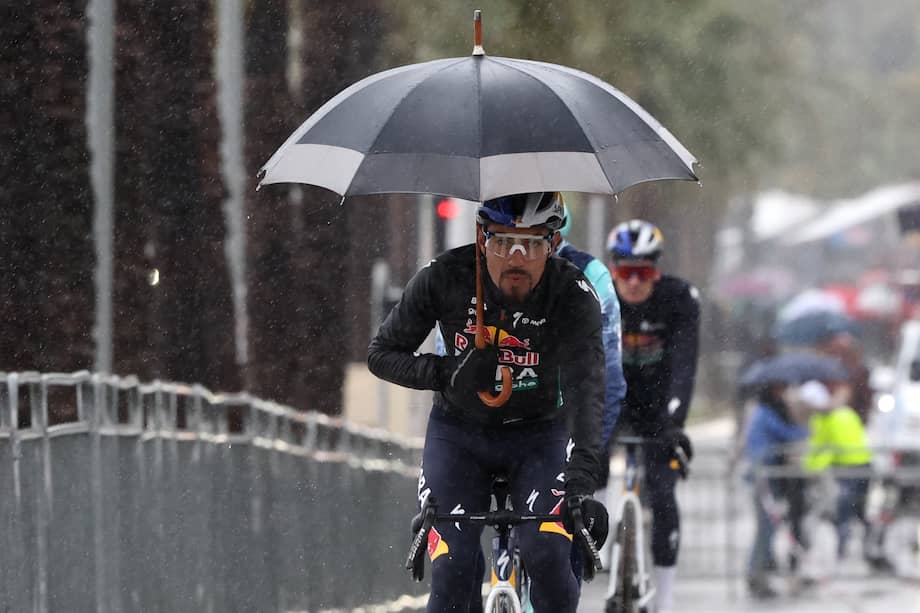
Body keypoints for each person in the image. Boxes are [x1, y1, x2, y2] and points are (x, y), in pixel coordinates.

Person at [368, 192, 609, 613]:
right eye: (502, 243)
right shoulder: (445, 276)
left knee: (549, 554)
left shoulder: (572, 293)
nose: (516, 258)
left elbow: (587, 391)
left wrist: (583, 482)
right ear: (482, 237)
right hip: (459, 435)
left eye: (532, 244)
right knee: (453, 568)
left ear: (553, 245)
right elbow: (382, 354)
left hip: (539, 436)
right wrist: (447, 373)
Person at [604, 219, 699, 613]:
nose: (635, 282)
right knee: (585, 468)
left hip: (658, 408)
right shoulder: (599, 295)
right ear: (613, 270)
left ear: (656, 271)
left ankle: (666, 597)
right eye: (627, 272)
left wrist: (675, 421)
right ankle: (596, 548)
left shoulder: (679, 299)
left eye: (644, 272)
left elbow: (684, 366)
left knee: (662, 493)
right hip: (614, 399)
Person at [801, 380, 892, 571]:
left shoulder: (825, 420)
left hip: (848, 469)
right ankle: (870, 550)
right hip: (863, 467)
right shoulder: (845, 413)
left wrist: (805, 467)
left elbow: (823, 450)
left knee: (845, 512)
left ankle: (844, 554)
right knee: (859, 511)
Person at [742, 381, 811, 599]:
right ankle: (756, 575)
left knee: (769, 527)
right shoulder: (765, 413)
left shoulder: (766, 411)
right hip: (764, 477)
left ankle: (762, 572)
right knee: (766, 529)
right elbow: (790, 434)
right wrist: (803, 423)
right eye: (781, 390)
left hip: (767, 475)